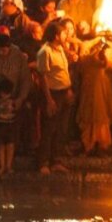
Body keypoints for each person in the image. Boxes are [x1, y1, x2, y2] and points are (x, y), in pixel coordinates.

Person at [0, 32, 31, 172]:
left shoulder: (18, 55)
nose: (2, 53)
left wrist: (21, 98)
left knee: (10, 135)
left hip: (12, 100)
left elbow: (25, 78)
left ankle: (7, 164)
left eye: (5, 50)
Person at [35, 21, 73, 174]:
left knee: (61, 129)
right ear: (56, 35)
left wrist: (68, 89)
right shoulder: (45, 52)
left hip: (64, 93)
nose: (66, 35)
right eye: (64, 33)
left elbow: (62, 71)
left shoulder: (61, 49)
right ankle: (43, 162)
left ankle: (56, 160)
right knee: (49, 128)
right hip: (52, 94)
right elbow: (43, 77)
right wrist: (49, 99)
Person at [0, 79, 19, 175]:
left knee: (10, 145)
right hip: (0, 125)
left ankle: (8, 166)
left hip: (10, 124)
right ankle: (2, 166)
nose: (4, 95)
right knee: (1, 146)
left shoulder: (13, 99)